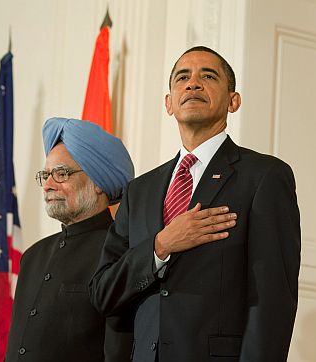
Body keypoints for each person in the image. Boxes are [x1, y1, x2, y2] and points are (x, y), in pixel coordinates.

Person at [89, 46, 301, 362]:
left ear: (233, 100)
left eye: (208, 76)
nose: (193, 84)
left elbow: (272, 302)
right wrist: (160, 245)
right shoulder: (139, 190)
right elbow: (104, 293)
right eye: (183, 77)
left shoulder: (265, 176)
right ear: (169, 103)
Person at [5, 117, 135, 362]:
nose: (48, 186)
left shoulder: (121, 251)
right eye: (45, 175)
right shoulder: (33, 256)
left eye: (61, 174)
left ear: (98, 182)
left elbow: (118, 351)